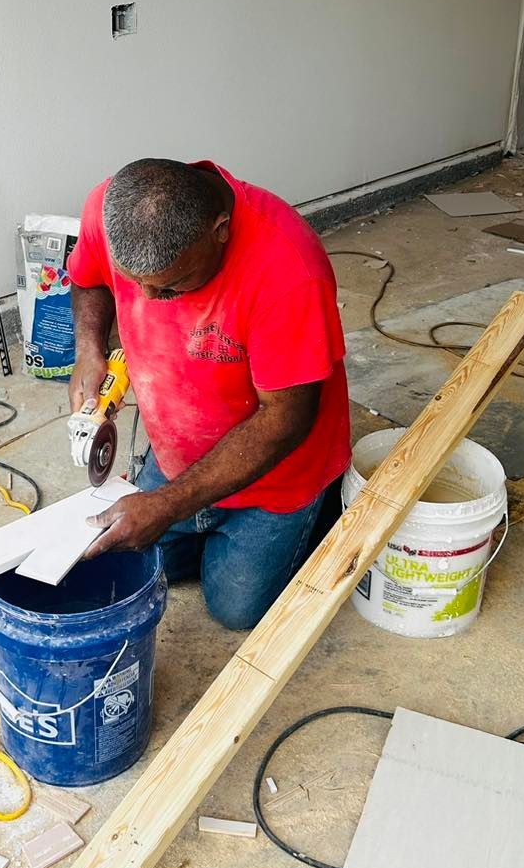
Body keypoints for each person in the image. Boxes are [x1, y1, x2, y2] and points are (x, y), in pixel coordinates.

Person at [66, 157, 350, 630]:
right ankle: (199, 521)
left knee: (235, 610)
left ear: (220, 230)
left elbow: (285, 421)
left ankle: (319, 512)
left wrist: (168, 505)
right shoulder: (112, 209)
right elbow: (89, 277)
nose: (146, 301)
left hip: (277, 477)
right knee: (119, 561)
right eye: (133, 283)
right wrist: (90, 349)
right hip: (177, 450)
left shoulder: (289, 271)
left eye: (169, 286)